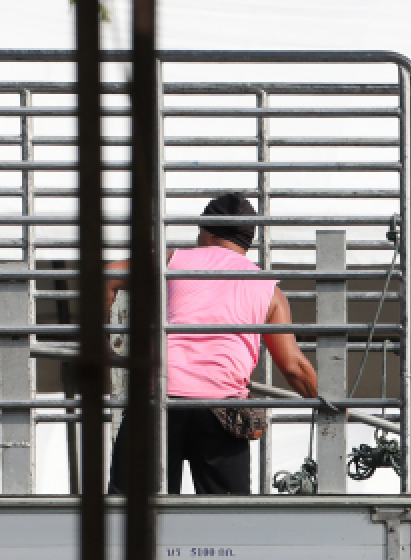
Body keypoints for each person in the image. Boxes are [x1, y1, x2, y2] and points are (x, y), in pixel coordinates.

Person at [107, 191, 319, 494]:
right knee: (227, 521)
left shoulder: (175, 260)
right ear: (247, 242)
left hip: (159, 400)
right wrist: (334, 404)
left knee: (130, 516)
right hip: (222, 411)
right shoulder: (269, 291)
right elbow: (294, 367)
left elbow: (107, 277)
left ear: (206, 232)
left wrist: (107, 343)